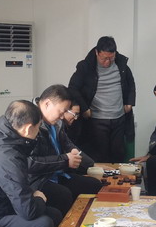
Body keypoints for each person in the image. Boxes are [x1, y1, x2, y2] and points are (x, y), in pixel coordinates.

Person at [29, 84, 102, 216]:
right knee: (63, 195)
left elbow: (68, 144)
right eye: (61, 112)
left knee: (94, 185)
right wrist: (65, 160)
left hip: (57, 173)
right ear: (47, 104)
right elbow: (31, 162)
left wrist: (91, 164)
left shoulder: (55, 122)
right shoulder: (30, 121)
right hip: (37, 179)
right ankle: (68, 226)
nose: (62, 117)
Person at [68, 36, 136, 163]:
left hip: (119, 117)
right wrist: (84, 108)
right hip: (97, 119)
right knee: (100, 155)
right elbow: (73, 88)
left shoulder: (121, 64)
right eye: (104, 58)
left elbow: (131, 83)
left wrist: (129, 102)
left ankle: (117, 176)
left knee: (118, 153)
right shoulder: (86, 66)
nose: (107, 62)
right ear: (96, 52)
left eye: (111, 58)